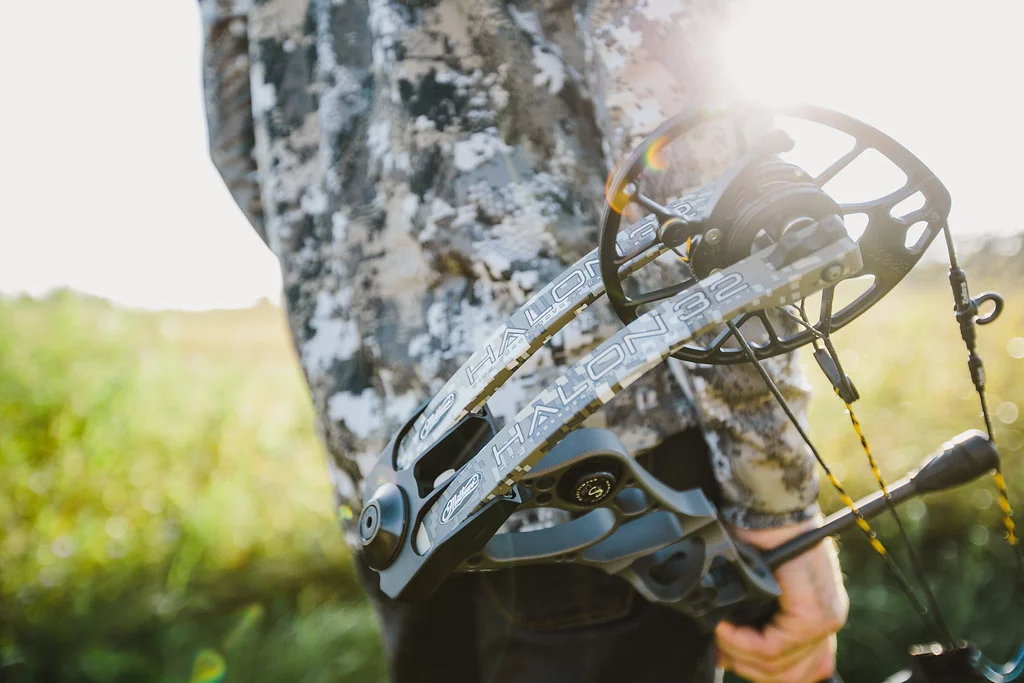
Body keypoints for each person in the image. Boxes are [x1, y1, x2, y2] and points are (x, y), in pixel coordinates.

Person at [198, 0, 848, 681]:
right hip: (605, 460)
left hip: (392, 485)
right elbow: (681, 136)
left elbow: (242, 147)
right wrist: (775, 500)